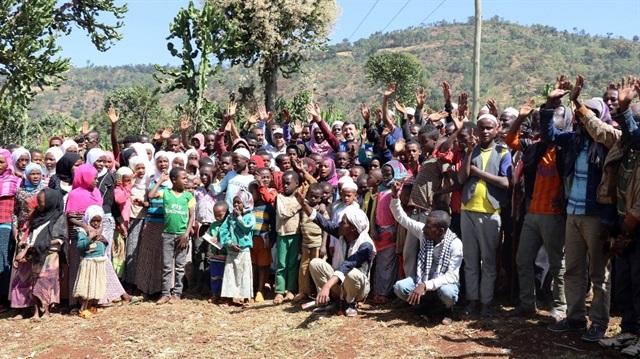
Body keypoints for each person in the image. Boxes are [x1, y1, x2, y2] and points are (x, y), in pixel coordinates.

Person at [542, 75, 611, 341]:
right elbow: (549, 134)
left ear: (601, 118)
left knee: (598, 274)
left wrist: (578, 103)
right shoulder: (574, 141)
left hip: (595, 217)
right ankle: (575, 317)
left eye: (593, 115)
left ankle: (599, 322)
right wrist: (550, 104)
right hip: (573, 214)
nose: (586, 119)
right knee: (573, 270)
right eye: (584, 115)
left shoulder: (607, 145)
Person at [505, 98, 569, 321]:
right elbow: (509, 139)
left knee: (557, 265)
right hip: (533, 213)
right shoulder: (534, 148)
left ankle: (560, 307)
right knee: (523, 259)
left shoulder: (564, 151)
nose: (543, 126)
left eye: (550, 121)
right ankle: (527, 304)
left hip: (555, 216)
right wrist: (521, 117)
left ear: (562, 125)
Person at [458, 113, 512, 317]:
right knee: (470, 259)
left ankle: (486, 302)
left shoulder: (503, 151)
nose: (485, 131)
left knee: (489, 260)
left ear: (497, 129)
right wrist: (470, 154)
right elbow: (463, 178)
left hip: (490, 212)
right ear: (476, 131)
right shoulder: (471, 151)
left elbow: (506, 183)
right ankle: (472, 301)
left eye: (489, 128)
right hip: (468, 210)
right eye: (482, 128)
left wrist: (478, 173)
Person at [390, 180, 463, 325]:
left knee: (448, 293)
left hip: (442, 284)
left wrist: (425, 285)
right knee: (400, 287)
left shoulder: (455, 244)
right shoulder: (424, 232)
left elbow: (451, 276)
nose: (424, 229)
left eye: (428, 226)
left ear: (440, 231)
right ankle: (425, 304)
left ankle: (448, 309)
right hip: (422, 280)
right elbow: (401, 218)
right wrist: (394, 196)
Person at [297, 192, 376, 317]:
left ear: (353, 228)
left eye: (343, 222)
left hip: (358, 288)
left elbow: (347, 265)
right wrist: (303, 204)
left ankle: (351, 303)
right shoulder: (343, 234)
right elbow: (322, 222)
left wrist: (327, 286)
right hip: (342, 283)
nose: (339, 223)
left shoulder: (366, 246)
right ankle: (331, 300)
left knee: (351, 272)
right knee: (315, 263)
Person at [148, 167, 195, 305]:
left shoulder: (188, 196)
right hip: (167, 235)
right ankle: (165, 293)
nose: (186, 181)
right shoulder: (166, 193)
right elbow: (151, 196)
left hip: (182, 236)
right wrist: (161, 180)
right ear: (174, 180)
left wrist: (186, 234)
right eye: (184, 178)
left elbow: (192, 216)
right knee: (167, 266)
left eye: (187, 178)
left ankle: (177, 293)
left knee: (180, 266)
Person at [220, 191, 255, 308]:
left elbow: (246, 228)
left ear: (246, 203)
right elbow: (223, 231)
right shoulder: (230, 216)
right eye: (235, 202)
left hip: (244, 251)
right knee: (231, 274)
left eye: (239, 202)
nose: (236, 205)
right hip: (232, 250)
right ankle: (229, 298)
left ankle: (246, 298)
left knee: (244, 274)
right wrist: (229, 243)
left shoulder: (250, 216)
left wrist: (239, 217)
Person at [295, 183, 328, 302]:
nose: (313, 198)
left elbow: (326, 228)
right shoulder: (304, 208)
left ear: (321, 198)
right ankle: (304, 292)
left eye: (316, 197)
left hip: (317, 245)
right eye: (311, 196)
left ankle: (321, 292)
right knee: (303, 269)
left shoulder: (322, 210)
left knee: (318, 269)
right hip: (305, 245)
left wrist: (324, 245)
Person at [73, 205, 108, 319]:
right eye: (93, 221)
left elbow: (104, 245)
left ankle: (89, 306)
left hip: (98, 261)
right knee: (87, 287)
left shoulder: (100, 230)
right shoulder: (83, 231)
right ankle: (83, 308)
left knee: (94, 285)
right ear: (88, 219)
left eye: (98, 221)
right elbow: (80, 246)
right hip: (89, 262)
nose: (96, 224)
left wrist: (104, 240)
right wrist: (90, 237)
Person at [273, 171, 302, 304]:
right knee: (281, 263)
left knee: (292, 263)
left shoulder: (299, 197)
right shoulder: (280, 197)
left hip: (295, 234)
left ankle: (291, 290)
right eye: (283, 183)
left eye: (288, 183)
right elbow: (283, 213)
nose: (285, 186)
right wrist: (298, 207)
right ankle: (279, 291)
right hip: (282, 234)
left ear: (296, 184)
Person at [248, 181, 276, 303]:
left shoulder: (268, 208)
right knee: (252, 265)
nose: (250, 195)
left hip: (263, 240)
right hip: (250, 241)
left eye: (252, 192)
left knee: (262, 266)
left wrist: (272, 240)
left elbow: (274, 226)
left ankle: (260, 290)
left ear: (259, 192)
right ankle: (251, 289)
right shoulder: (249, 208)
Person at [208, 201, 230, 304]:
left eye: (220, 215)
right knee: (214, 276)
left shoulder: (228, 225)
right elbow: (210, 234)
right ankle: (214, 294)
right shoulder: (213, 225)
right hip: (214, 256)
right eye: (215, 215)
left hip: (225, 256)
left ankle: (223, 295)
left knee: (224, 276)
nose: (217, 218)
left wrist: (219, 239)